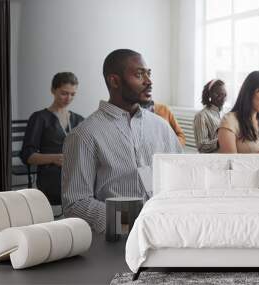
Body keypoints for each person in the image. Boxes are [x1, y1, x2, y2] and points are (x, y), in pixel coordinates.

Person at [61, 49, 183, 233]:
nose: (149, 81)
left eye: (148, 73)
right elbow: (76, 203)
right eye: (139, 74)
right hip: (118, 240)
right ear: (115, 81)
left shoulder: (162, 127)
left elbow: (181, 180)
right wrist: (130, 225)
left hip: (167, 230)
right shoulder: (84, 135)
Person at [20, 72, 84, 206]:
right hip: (52, 176)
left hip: (77, 175)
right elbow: (27, 156)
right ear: (53, 90)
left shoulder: (79, 120)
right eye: (64, 93)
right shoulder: (39, 118)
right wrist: (55, 158)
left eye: (73, 94)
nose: (68, 98)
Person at [193, 79, 227, 153]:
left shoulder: (226, 114)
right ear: (210, 94)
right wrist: (222, 140)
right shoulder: (201, 116)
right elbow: (201, 146)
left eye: (224, 95)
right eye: (218, 94)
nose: (223, 98)